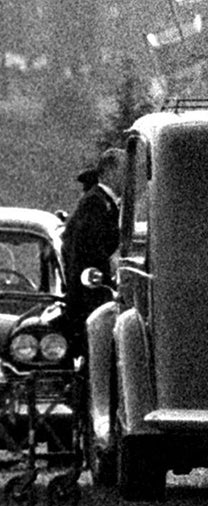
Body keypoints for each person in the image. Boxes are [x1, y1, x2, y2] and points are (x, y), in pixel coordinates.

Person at [61, 147, 122, 359]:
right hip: (90, 298)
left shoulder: (102, 202)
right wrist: (106, 284)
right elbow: (89, 252)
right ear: (110, 172)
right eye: (123, 171)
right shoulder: (95, 203)